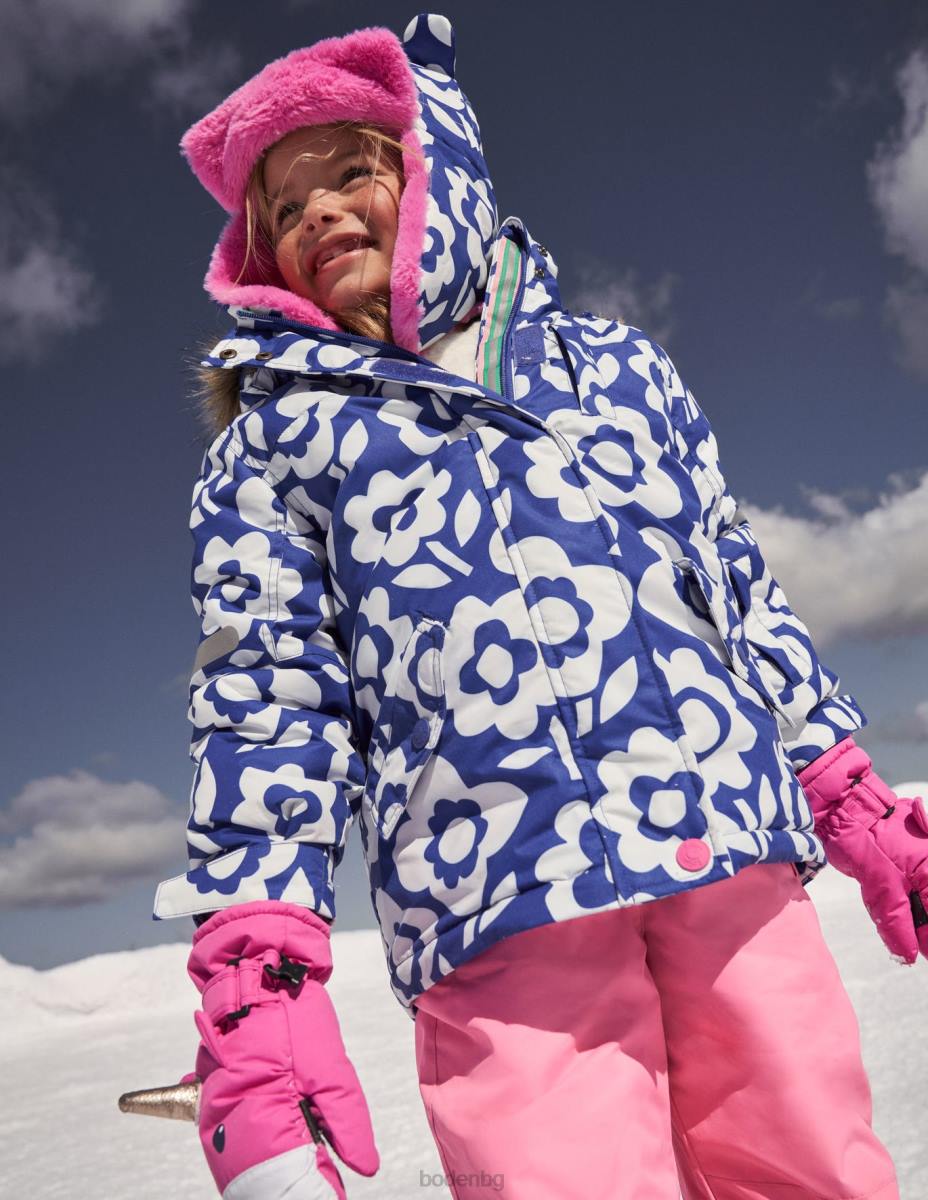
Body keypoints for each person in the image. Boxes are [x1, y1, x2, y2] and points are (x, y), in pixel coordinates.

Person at [152, 12, 928, 1200]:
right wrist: (260, 975)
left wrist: (837, 780)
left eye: (349, 170)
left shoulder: (616, 370)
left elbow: (727, 578)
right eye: (282, 207)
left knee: (808, 1158)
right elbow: (270, 707)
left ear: (435, 170)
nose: (316, 213)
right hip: (490, 899)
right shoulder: (274, 449)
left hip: (719, 834)